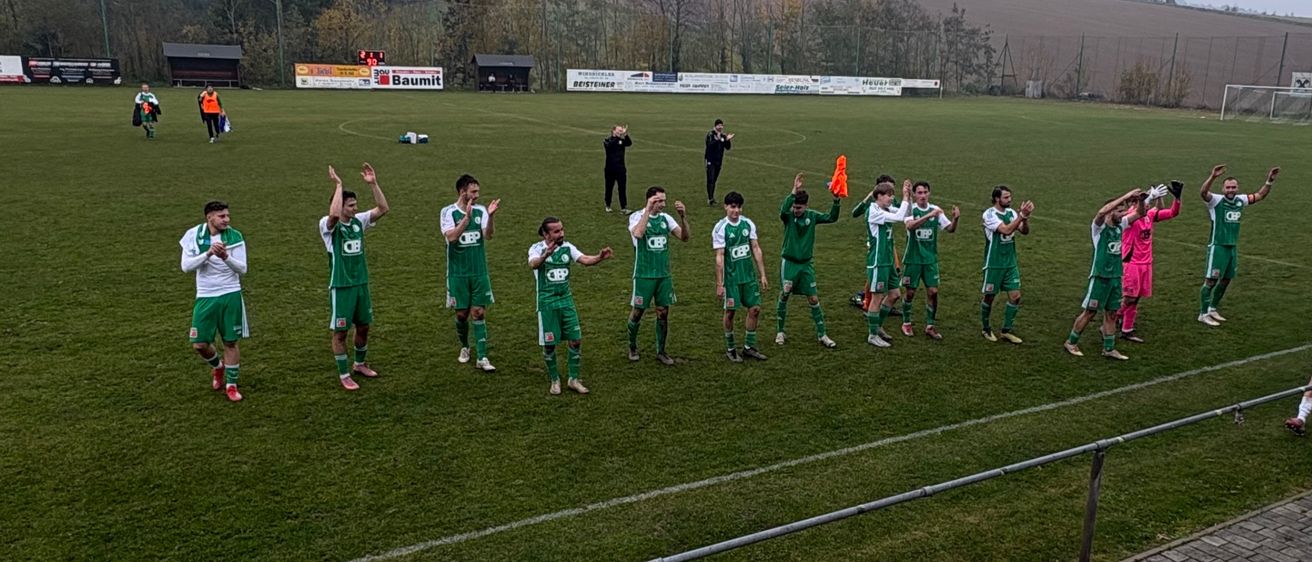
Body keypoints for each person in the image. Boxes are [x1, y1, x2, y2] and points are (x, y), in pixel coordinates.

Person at [320, 163, 390, 391]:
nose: (354, 208)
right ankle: (344, 374)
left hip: (361, 284)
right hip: (341, 286)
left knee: (363, 327)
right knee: (340, 332)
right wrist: (338, 185)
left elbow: (382, 208)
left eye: (355, 205)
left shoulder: (359, 221)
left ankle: (359, 364)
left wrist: (374, 184)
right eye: (350, 205)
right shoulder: (328, 226)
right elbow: (333, 214)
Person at [529, 217, 614, 395]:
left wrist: (599, 257)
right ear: (546, 234)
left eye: (562, 230)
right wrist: (546, 255)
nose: (561, 234)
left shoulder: (568, 247)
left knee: (575, 340)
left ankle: (573, 379)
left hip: (566, 300)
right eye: (556, 231)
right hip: (547, 303)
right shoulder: (536, 249)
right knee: (550, 344)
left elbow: (584, 259)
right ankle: (555, 380)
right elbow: (533, 264)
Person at [1064, 189, 1144, 360]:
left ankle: (1109, 348)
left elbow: (1139, 213)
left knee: (1112, 313)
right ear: (1111, 211)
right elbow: (1101, 212)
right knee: (1090, 312)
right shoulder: (1098, 228)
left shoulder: (1120, 226)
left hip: (1115, 277)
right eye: (1120, 211)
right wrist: (1126, 196)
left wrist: (1141, 200)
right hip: (1100, 277)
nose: (1123, 214)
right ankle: (1071, 342)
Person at [180, 200, 248, 402]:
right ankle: (218, 367)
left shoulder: (235, 236)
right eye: (222, 216)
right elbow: (186, 266)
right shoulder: (193, 235)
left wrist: (226, 256)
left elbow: (242, 269)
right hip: (206, 295)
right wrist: (208, 254)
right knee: (199, 344)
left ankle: (232, 385)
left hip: (230, 293)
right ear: (209, 217)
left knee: (230, 341)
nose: (227, 220)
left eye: (227, 215)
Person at [1197, 164, 1278, 326]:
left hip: (1231, 247)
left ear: (1237, 188)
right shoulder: (1216, 201)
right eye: (1228, 187)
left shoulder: (1240, 200)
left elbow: (1260, 195)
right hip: (1218, 247)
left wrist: (1269, 181)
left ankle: (1213, 308)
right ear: (1223, 188)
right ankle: (1203, 313)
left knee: (1226, 279)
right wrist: (1213, 176)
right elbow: (1203, 193)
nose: (1231, 190)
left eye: (1233, 187)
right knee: (1211, 281)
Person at [442, 174, 501, 372]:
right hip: (458, 273)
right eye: (473, 192)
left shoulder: (481, 210)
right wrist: (466, 219)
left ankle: (482, 357)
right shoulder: (448, 212)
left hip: (479, 271)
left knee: (478, 312)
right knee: (461, 315)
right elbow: (451, 237)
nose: (477, 195)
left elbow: (488, 235)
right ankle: (465, 347)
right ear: (462, 192)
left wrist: (491, 216)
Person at [776, 172, 840, 348]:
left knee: (813, 299)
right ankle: (780, 332)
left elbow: (831, 218)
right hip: (789, 263)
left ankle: (822, 334)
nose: (795, 211)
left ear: (806, 206)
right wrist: (793, 191)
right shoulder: (788, 216)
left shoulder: (812, 216)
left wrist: (836, 200)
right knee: (784, 294)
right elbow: (783, 210)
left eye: (799, 208)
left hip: (805, 265)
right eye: (794, 207)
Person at [627, 186, 689, 365]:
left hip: (663, 275)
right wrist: (647, 210)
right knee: (638, 312)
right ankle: (632, 347)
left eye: (663, 200)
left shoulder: (666, 219)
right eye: (658, 200)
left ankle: (661, 351)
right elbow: (638, 234)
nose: (662, 204)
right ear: (649, 200)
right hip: (644, 274)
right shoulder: (636, 217)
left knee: (663, 312)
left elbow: (684, 237)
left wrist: (683, 217)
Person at [1119, 182, 1181, 342]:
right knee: (1128, 298)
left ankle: (1127, 329)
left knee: (1136, 298)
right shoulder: (1128, 218)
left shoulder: (1149, 216)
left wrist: (1177, 198)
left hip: (1146, 263)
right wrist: (1148, 199)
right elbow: (1137, 211)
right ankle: (1110, 320)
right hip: (1131, 263)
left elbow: (1173, 213)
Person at [713, 191, 769, 362]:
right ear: (726, 207)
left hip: (748, 277)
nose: (736, 211)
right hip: (732, 280)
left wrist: (763, 274)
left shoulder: (748, 224)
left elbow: (756, 248)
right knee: (730, 312)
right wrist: (720, 283)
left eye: (738, 207)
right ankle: (730, 348)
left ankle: (748, 347)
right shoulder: (721, 228)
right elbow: (720, 256)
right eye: (732, 207)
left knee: (755, 309)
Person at [900, 181, 960, 340]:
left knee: (933, 292)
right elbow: (910, 226)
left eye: (925, 192)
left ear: (929, 193)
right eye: (919, 193)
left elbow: (950, 229)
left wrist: (955, 219)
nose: (923, 196)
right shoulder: (910, 209)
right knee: (910, 292)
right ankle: (906, 322)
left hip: (930, 259)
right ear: (914, 195)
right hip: (913, 259)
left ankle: (930, 325)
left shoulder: (936, 211)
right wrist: (928, 216)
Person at [980, 185, 1034, 344]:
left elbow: (1024, 231)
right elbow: (1006, 230)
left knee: (1016, 297)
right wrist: (1020, 216)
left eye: (1010, 197)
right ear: (997, 198)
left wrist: (1025, 218)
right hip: (994, 263)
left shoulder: (1011, 213)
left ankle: (1006, 330)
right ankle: (986, 328)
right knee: (989, 297)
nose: (1009, 200)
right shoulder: (989, 214)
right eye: (1006, 197)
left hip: (1010, 262)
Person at [863, 179, 913, 348]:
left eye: (892, 195)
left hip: (888, 262)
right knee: (876, 297)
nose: (892, 198)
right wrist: (905, 196)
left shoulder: (885, 208)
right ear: (878, 197)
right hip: (878, 262)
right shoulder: (874, 211)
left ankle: (877, 327)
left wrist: (909, 197)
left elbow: (907, 215)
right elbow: (900, 217)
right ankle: (872, 335)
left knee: (894, 295)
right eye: (888, 195)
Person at [603, 124, 633, 213]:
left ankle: (623, 207)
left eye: (621, 131)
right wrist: (616, 137)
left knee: (622, 188)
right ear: (613, 131)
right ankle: (608, 205)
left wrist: (626, 134)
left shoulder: (621, 141)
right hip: (610, 169)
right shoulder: (607, 141)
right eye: (619, 130)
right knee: (609, 187)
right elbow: (609, 146)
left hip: (620, 169)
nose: (620, 132)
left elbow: (629, 143)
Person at [704, 119, 733, 206]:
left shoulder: (723, 136)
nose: (720, 127)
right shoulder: (710, 135)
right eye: (719, 125)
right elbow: (709, 145)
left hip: (718, 161)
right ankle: (710, 199)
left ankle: (712, 197)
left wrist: (727, 140)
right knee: (711, 179)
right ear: (715, 126)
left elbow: (727, 147)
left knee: (714, 180)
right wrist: (718, 139)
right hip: (710, 160)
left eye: (721, 125)